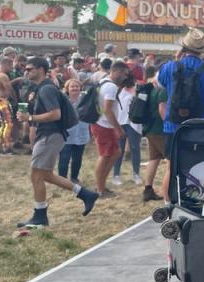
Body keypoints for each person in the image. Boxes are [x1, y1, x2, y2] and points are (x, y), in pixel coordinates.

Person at [14, 56, 98, 227]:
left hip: (50, 135)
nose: (26, 71)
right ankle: (85, 194)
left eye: (29, 69)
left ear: (41, 69)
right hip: (50, 135)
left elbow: (55, 114)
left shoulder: (46, 89)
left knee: (36, 175)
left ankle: (40, 216)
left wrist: (29, 117)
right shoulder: (42, 88)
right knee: (46, 175)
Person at [158, 30, 204, 204]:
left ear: (183, 47)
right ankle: (195, 202)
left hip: (172, 126)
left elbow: (160, 86)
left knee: (170, 169)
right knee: (198, 167)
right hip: (198, 127)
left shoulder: (169, 67)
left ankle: (167, 204)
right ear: (202, 50)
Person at [90, 60, 129, 196]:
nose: (125, 77)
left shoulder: (103, 81)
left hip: (102, 123)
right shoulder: (111, 87)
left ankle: (101, 184)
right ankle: (100, 188)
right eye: (124, 74)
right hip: (104, 125)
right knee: (105, 155)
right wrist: (118, 128)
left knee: (116, 153)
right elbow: (108, 110)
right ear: (117, 71)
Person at [141, 66, 167, 202]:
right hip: (160, 130)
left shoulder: (150, 87)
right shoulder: (163, 90)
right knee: (172, 161)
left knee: (154, 159)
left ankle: (148, 189)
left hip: (150, 128)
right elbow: (163, 110)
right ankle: (169, 192)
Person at [112, 74, 143, 186]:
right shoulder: (118, 90)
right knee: (119, 149)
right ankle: (116, 174)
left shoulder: (138, 89)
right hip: (121, 122)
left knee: (135, 148)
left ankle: (136, 174)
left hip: (134, 123)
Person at [57, 78, 90, 182]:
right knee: (64, 157)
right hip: (66, 133)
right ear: (67, 89)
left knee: (77, 157)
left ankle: (74, 177)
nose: (75, 88)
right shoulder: (62, 100)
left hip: (81, 131)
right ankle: (62, 179)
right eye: (72, 86)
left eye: (77, 86)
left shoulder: (85, 99)